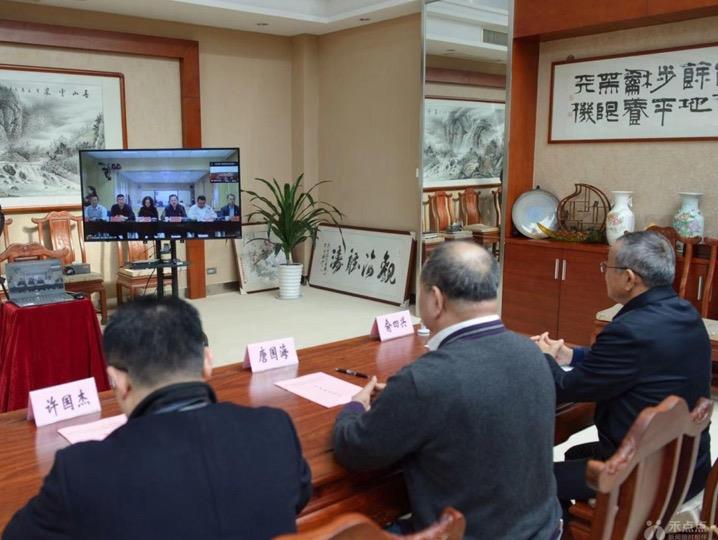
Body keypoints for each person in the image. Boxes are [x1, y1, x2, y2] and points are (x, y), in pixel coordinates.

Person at [4, 297, 312, 540]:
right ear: (208, 362)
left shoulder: (81, 472)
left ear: (118, 381)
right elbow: (299, 496)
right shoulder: (274, 428)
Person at [332, 242, 562, 540]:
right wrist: (404, 398)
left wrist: (354, 407)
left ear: (435, 299)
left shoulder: (425, 380)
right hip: (543, 530)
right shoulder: (532, 353)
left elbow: (354, 450)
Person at [533, 230, 711, 516]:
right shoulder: (686, 313)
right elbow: (631, 360)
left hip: (644, 476)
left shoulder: (628, 330)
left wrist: (542, 357)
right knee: (575, 454)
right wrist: (570, 355)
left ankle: (566, 529)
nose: (604, 272)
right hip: (688, 464)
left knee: (531, 480)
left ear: (629, 278)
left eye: (607, 266)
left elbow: (565, 387)